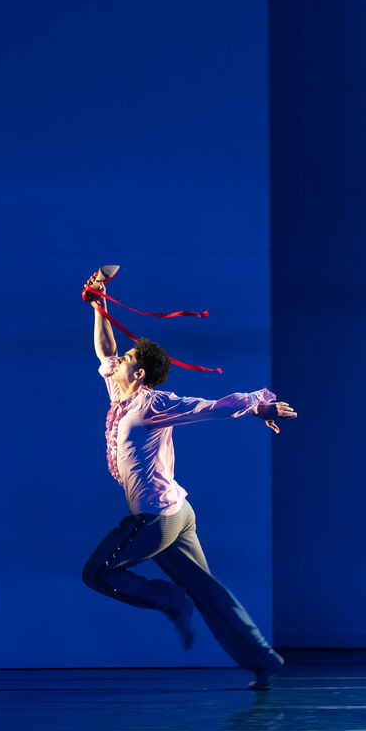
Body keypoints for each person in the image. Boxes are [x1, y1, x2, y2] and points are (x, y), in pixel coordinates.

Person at [80, 271, 297, 689]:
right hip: (178, 513)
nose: (117, 361)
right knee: (207, 589)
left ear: (140, 374)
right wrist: (98, 305)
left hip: (156, 520)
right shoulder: (121, 395)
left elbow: (208, 407)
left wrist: (257, 405)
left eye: (127, 360)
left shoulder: (152, 403)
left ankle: (169, 598)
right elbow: (105, 350)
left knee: (97, 573)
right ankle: (262, 659)